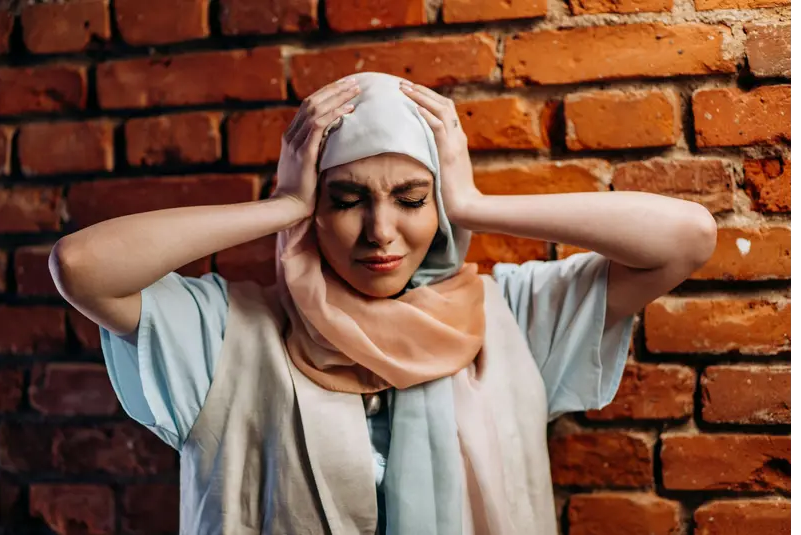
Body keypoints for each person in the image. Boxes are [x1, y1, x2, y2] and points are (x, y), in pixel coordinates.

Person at [49, 72, 717, 535]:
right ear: (315, 208)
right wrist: (281, 205)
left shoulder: (508, 317)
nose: (380, 232)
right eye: (345, 200)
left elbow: (687, 237)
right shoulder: (231, 333)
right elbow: (82, 266)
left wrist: (472, 203)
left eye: (411, 197)